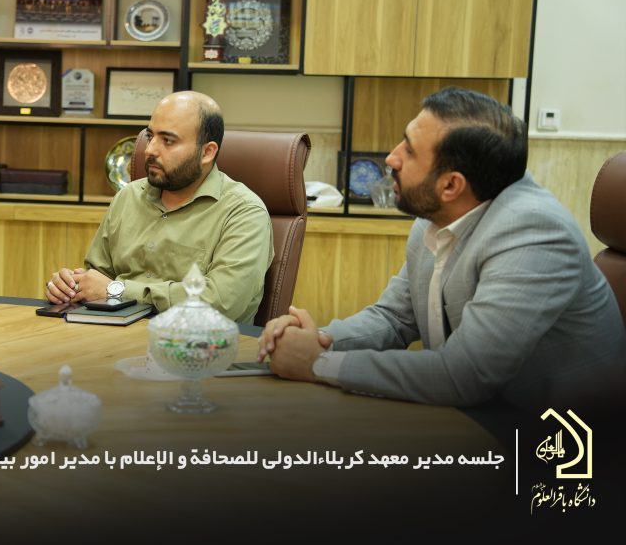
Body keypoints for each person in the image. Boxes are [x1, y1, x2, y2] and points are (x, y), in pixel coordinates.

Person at [258, 87, 625, 409]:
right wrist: (317, 341)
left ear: (451, 185)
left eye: (409, 150)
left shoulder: (534, 233)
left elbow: (465, 375)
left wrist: (319, 364)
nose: (391, 158)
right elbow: (394, 319)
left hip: (562, 441)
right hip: (480, 419)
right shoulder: (438, 215)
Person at [45, 91, 273, 324]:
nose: (150, 150)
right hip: (112, 335)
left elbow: (222, 303)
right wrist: (70, 286)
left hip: (196, 342)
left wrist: (118, 290)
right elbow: (97, 278)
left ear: (207, 152)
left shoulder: (244, 212)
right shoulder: (128, 196)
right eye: (150, 136)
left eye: (168, 141)